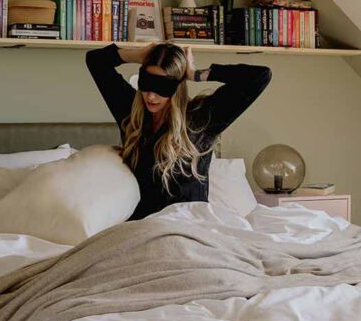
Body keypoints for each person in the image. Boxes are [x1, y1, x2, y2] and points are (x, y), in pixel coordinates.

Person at [85, 42, 271, 220]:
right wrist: (137, 55)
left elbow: (259, 76)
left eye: (161, 88)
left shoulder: (201, 119)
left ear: (177, 87)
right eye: (146, 83)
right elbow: (95, 60)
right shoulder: (130, 114)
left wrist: (196, 74)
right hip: (143, 228)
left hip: (191, 227)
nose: (151, 95)